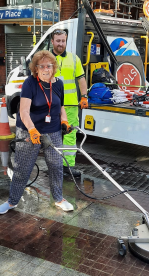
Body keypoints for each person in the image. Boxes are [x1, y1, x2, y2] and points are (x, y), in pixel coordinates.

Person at [0, 50, 74, 214]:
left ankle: (59, 199)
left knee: (56, 167)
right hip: (29, 131)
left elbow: (60, 107)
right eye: (42, 66)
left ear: (54, 67)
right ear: (36, 68)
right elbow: (23, 111)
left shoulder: (58, 84)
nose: (46, 68)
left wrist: (64, 121)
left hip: (53, 132)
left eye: (49, 65)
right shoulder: (30, 83)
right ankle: (12, 202)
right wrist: (32, 130)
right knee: (22, 169)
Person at [51, 29, 88, 177]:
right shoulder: (46, 59)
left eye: (63, 41)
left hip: (71, 106)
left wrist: (84, 96)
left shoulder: (74, 59)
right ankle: (54, 165)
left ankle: (68, 166)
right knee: (52, 135)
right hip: (51, 105)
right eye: (58, 41)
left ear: (66, 41)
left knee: (70, 136)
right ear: (52, 41)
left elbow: (81, 79)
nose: (61, 44)